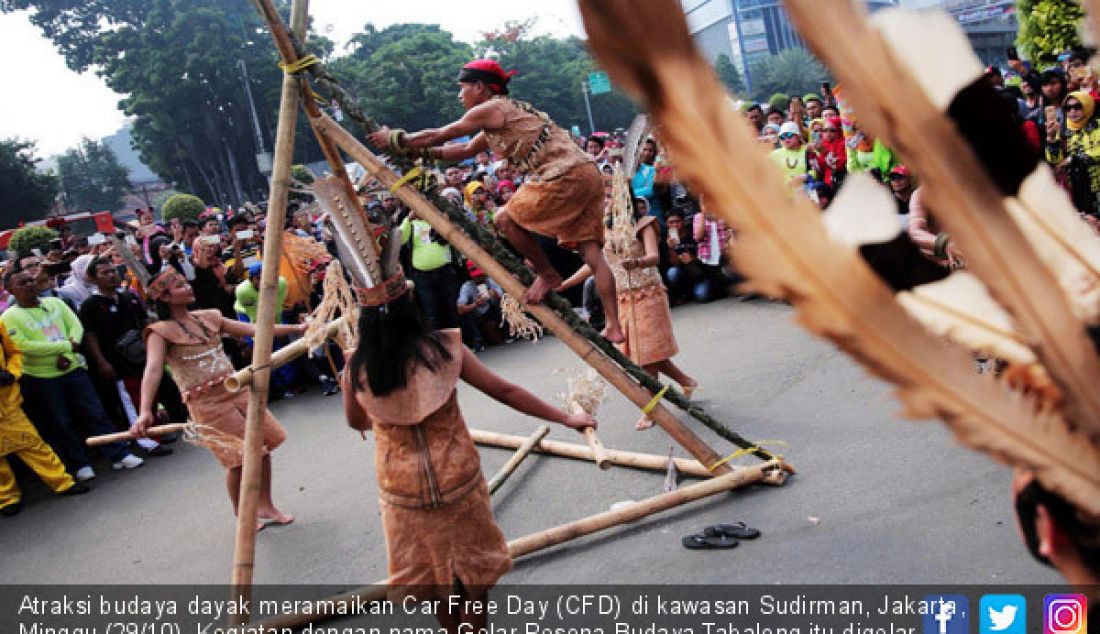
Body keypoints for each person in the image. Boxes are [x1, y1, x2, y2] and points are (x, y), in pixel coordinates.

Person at [341, 271, 595, 630]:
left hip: (401, 489)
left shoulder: (356, 367)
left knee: (437, 584)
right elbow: (505, 392)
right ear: (412, 308)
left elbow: (357, 423)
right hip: (456, 476)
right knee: (471, 582)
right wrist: (567, 417)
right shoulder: (444, 349)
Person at [367, 59, 625, 343]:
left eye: (462, 88)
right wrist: (420, 155)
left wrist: (396, 139)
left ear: (479, 87)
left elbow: (440, 134)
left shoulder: (490, 109)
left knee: (504, 218)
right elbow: (464, 148)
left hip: (563, 174)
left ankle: (547, 274)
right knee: (592, 254)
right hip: (587, 173)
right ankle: (613, 324)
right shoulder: (506, 114)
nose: (459, 95)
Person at [131, 268, 303, 529]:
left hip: (238, 389)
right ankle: (243, 514)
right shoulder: (159, 331)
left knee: (263, 449)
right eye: (179, 286)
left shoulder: (209, 316)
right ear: (164, 297)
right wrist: (145, 410)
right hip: (207, 403)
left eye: (184, 282)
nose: (187, 286)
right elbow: (153, 369)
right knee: (237, 461)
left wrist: (298, 328)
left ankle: (266, 505)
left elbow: (256, 329)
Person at [559, 197, 699, 423]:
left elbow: (654, 256)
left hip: (648, 294)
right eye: (604, 198)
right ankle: (686, 381)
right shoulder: (606, 230)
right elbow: (594, 264)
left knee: (646, 356)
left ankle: (651, 410)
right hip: (623, 297)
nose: (607, 201)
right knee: (644, 353)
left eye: (611, 195)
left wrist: (637, 263)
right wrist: (565, 284)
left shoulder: (644, 223)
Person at [1, 268, 144, 481]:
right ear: (10, 289)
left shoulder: (55, 303)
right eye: (22, 283)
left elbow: (75, 326)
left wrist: (70, 348)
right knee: (62, 421)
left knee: (96, 412)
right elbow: (22, 345)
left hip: (73, 368)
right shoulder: (8, 318)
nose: (30, 285)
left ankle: (119, 453)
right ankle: (80, 464)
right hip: (42, 376)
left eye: (31, 280)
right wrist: (63, 348)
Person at [0, 323, 89, 516]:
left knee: (32, 444)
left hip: (6, 403)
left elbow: (14, 352)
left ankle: (63, 482)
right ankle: (7, 498)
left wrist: (12, 373)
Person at [1046, 92, 1100, 216]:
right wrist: (1051, 138)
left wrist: (1072, 159)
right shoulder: (1063, 129)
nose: (1072, 111)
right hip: (1075, 188)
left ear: (1088, 106)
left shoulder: (1098, 126)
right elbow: (1055, 160)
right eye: (1068, 108)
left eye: (1077, 106)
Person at [770, 122, 810, 189]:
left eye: (789, 135)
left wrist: (805, 176)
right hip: (782, 193)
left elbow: (815, 171)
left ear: (798, 136)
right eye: (782, 137)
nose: (786, 139)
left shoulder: (808, 150)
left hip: (804, 193)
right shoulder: (774, 154)